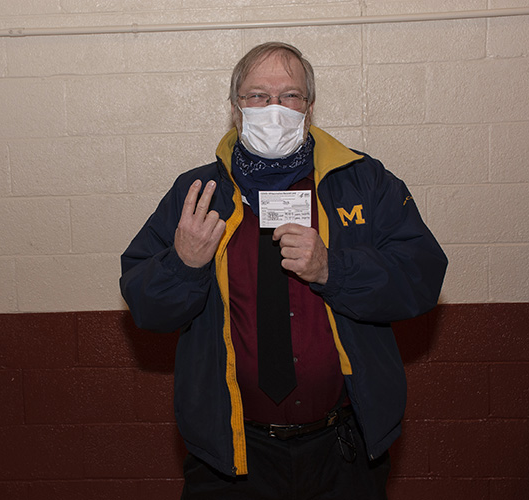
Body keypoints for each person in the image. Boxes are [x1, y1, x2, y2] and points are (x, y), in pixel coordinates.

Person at [120, 41, 447, 499]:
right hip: (231, 453)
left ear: (309, 108)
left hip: (342, 448)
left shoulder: (363, 181)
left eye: (289, 96)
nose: (273, 109)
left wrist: (335, 268)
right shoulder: (198, 193)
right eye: (257, 96)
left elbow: (423, 275)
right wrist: (184, 266)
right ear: (236, 109)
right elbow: (145, 307)